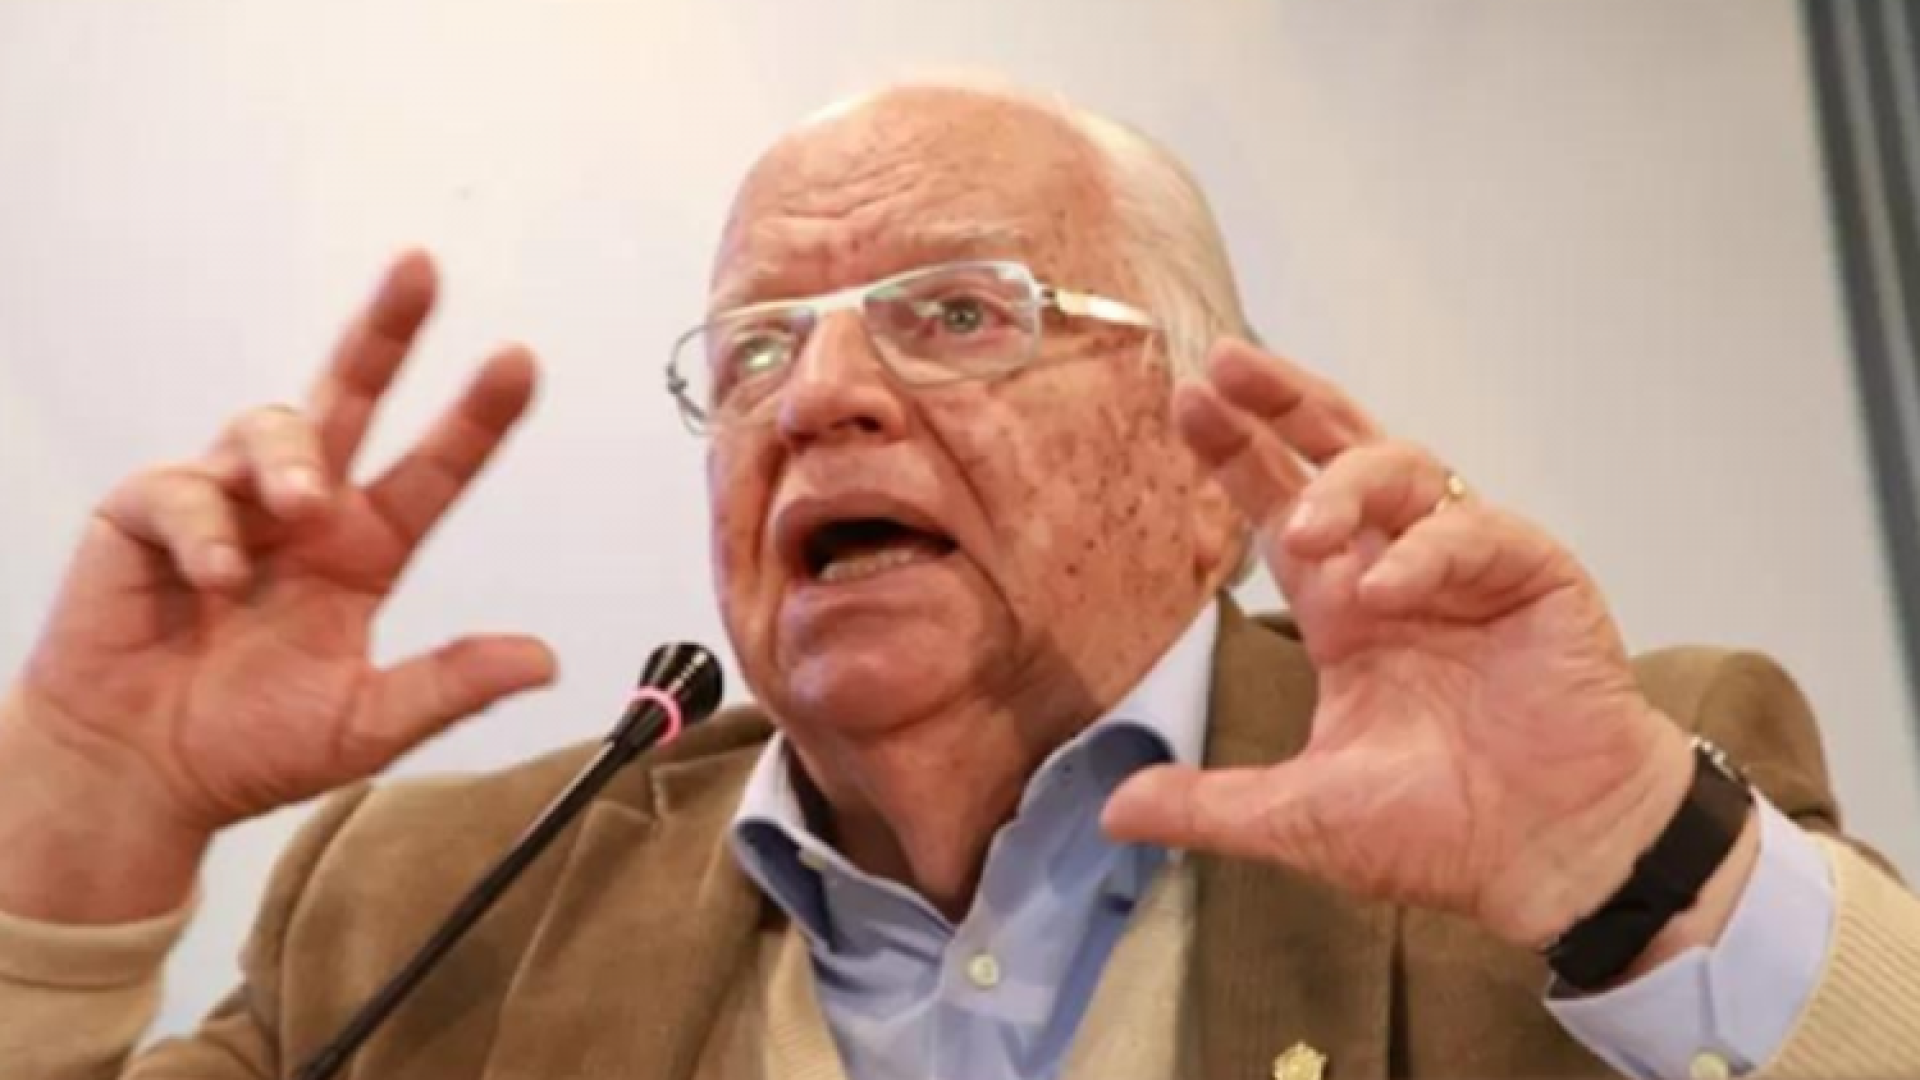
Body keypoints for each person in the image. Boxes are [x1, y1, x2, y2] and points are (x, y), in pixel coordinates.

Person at [2, 77, 1916, 1080]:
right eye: (755, 349)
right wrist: (81, 823)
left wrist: (1628, 864)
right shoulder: (425, 913)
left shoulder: (1586, 799)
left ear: (1209, 457)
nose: (818, 396)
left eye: (957, 313)